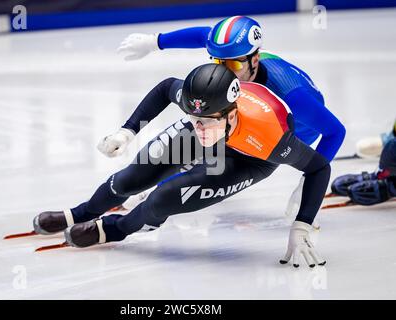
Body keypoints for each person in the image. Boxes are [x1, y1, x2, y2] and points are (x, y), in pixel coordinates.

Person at [34, 64, 330, 268]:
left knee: (163, 198)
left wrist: (301, 225)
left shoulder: (271, 139)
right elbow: (166, 88)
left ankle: (114, 229)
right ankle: (80, 213)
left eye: (206, 121)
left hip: (250, 158)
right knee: (132, 177)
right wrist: (128, 131)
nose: (199, 128)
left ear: (230, 114)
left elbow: (318, 168)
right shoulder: (202, 108)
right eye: (194, 120)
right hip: (226, 133)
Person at [110, 16, 345, 213]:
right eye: (217, 62)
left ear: (255, 59)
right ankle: (157, 184)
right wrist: (156, 42)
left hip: (293, 131)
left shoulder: (294, 96)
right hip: (251, 107)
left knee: (218, 156)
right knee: (202, 130)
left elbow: (335, 132)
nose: (223, 72)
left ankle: (160, 189)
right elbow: (204, 35)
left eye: (232, 67)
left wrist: (309, 180)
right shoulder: (236, 56)